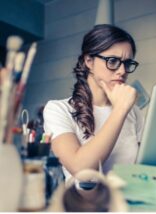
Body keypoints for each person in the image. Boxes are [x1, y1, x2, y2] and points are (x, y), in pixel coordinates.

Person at [43, 24, 144, 182]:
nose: (122, 71)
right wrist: (120, 110)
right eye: (113, 61)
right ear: (89, 61)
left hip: (127, 203)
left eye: (127, 63)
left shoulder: (134, 112)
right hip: (85, 204)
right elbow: (81, 169)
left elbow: (141, 169)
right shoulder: (58, 109)